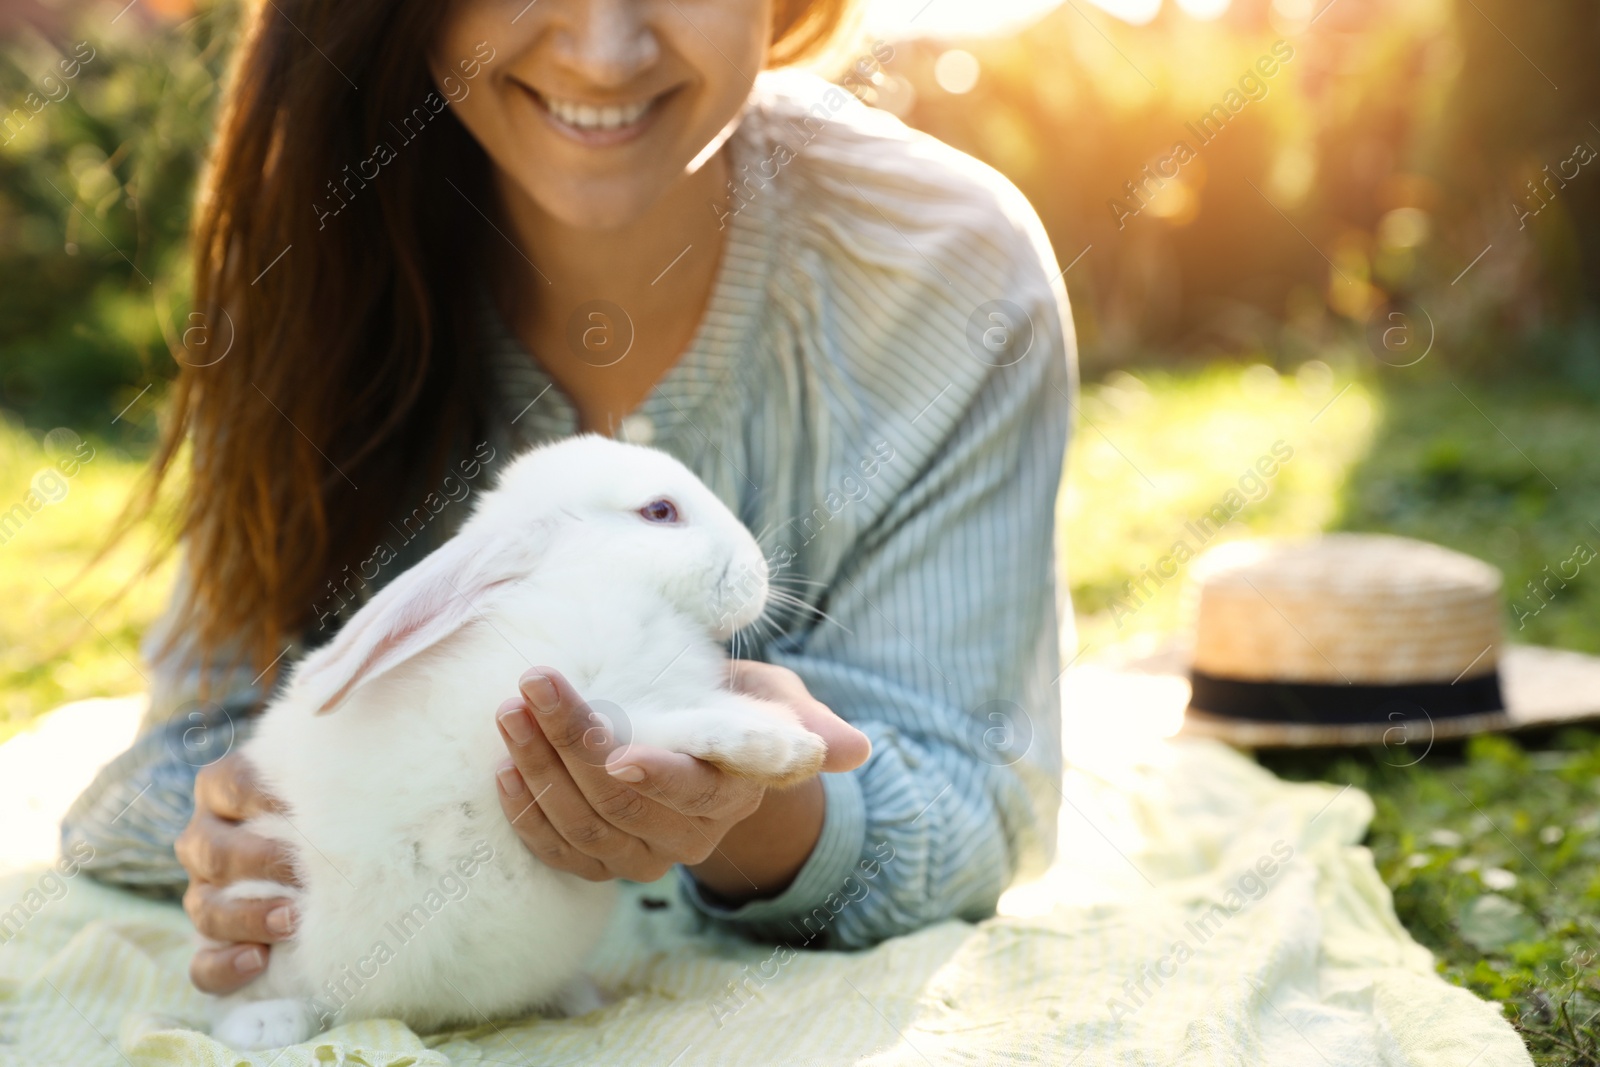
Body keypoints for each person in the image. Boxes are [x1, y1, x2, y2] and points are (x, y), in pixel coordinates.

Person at [61, 0, 1075, 997]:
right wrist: (273, 834)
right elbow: (181, 752)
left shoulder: (951, 272)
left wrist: (751, 802)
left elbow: (977, 794)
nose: (602, 50)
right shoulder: (312, 249)